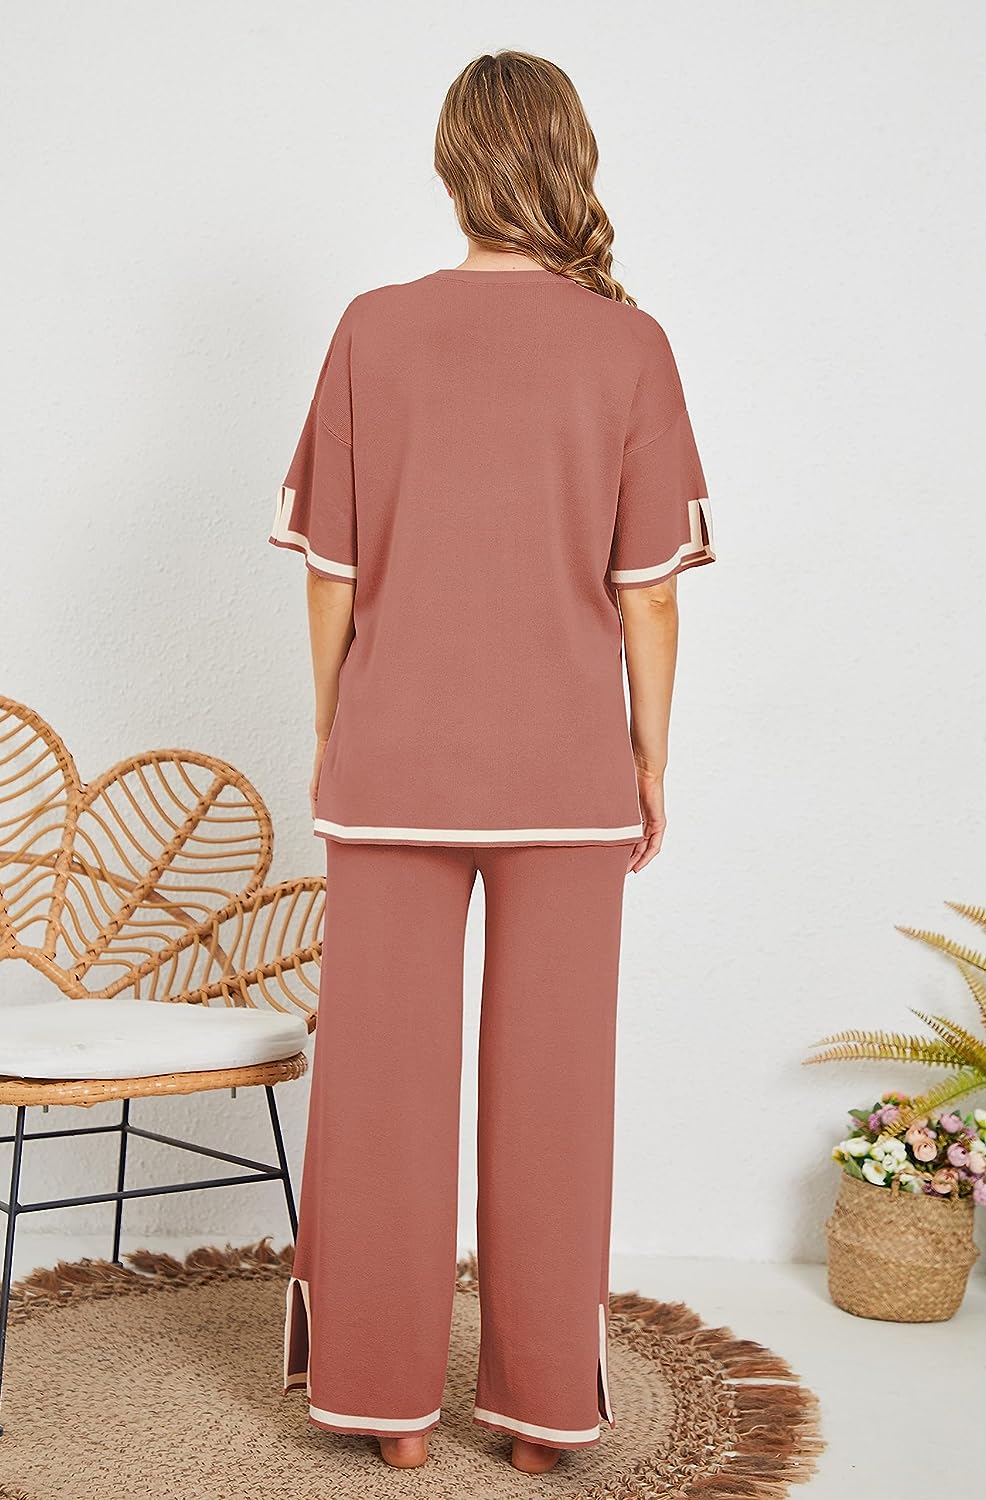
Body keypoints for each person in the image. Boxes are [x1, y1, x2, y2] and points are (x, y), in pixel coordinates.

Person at [269, 49, 714, 1477]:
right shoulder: (629, 343)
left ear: (452, 166)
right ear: (570, 159)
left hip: (393, 766)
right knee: (554, 1090)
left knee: (381, 1087)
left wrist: (333, 726)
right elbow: (649, 594)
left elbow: (330, 575)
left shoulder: (372, 328)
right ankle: (541, 1418)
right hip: (568, 780)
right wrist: (649, 759)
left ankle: (388, 1408)